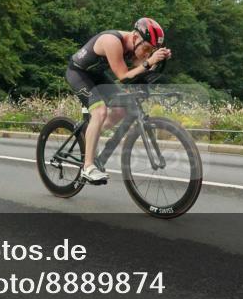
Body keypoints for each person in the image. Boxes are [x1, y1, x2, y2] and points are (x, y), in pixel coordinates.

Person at [66, 17, 171, 184]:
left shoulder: (135, 46)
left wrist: (158, 61)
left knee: (123, 109)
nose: (146, 53)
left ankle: (91, 136)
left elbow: (140, 69)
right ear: (136, 38)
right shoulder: (112, 41)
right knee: (99, 112)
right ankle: (88, 167)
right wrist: (150, 61)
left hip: (98, 75)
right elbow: (123, 76)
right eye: (146, 48)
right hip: (79, 74)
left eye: (151, 50)